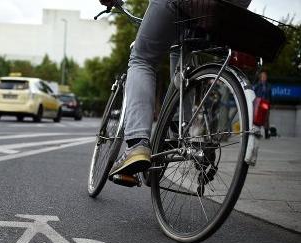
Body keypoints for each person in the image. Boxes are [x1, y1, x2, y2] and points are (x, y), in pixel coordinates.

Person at [97, 0, 253, 178]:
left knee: (142, 58)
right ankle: (176, 127)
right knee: (180, 48)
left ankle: (137, 144)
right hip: (232, 5)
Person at [253, 71, 272, 138]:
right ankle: (257, 132)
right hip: (259, 103)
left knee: (265, 117)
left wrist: (269, 104)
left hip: (265, 103)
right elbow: (254, 93)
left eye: (265, 77)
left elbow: (270, 96)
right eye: (263, 77)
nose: (264, 78)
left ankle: (266, 133)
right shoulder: (258, 85)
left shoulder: (268, 86)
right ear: (260, 78)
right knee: (258, 117)